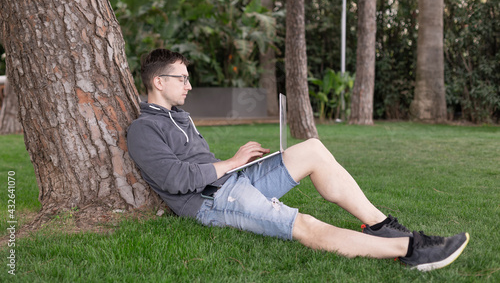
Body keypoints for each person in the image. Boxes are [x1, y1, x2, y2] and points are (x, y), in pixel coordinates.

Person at [126, 49, 469, 272]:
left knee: (313, 149)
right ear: (158, 81)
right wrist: (232, 162)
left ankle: (381, 225)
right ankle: (411, 250)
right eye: (182, 78)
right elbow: (175, 179)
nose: (189, 85)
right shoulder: (143, 129)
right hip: (210, 200)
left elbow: (199, 163)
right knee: (303, 223)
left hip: (233, 180)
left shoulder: (180, 117)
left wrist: (238, 166)